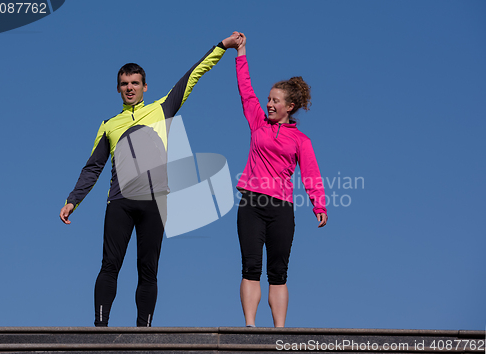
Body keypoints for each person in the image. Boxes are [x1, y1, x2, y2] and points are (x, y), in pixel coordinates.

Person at [59, 32, 243, 327]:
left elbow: (193, 74)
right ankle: (100, 329)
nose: (129, 88)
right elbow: (93, 167)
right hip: (119, 202)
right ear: (117, 89)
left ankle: (143, 330)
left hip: (155, 201)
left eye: (134, 83)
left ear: (145, 86)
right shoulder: (109, 125)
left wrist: (221, 46)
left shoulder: (162, 108)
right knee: (110, 266)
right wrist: (73, 200)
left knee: (148, 269)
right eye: (124, 84)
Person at [231, 33, 328, 327]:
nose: (269, 104)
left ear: (290, 106)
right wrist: (241, 51)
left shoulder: (301, 139)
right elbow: (245, 89)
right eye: (269, 99)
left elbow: (311, 172)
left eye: (275, 101)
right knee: (250, 267)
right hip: (251, 201)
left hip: (281, 208)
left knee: (278, 272)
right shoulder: (258, 122)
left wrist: (319, 204)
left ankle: (279, 330)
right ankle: (249, 327)